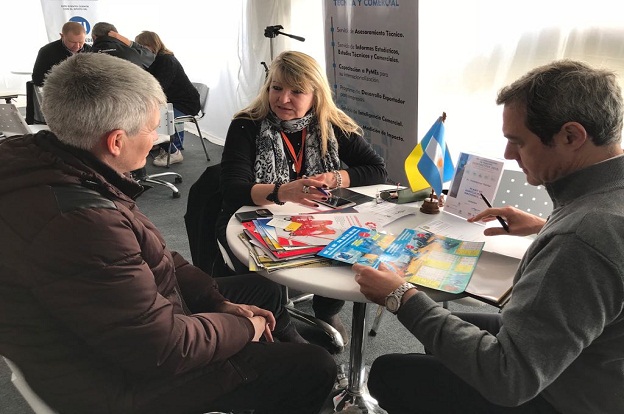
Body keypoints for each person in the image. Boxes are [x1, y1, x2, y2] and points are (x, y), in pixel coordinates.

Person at [0, 53, 335, 414]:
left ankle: (265, 368)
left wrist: (218, 303)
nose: (158, 139)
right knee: (315, 366)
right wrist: (243, 329)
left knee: (262, 289)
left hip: (120, 331)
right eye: (153, 128)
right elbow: (165, 350)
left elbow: (156, 256)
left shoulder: (58, 166)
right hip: (116, 383)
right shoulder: (81, 224)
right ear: (116, 141)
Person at [354, 59, 624, 414]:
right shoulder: (604, 201)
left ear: (571, 136)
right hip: (601, 362)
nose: (509, 154)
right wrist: (545, 225)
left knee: (389, 372)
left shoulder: (583, 236)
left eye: (517, 142)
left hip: (568, 396)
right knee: (452, 331)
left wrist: (400, 296)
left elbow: (509, 379)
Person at [218, 50, 388, 343]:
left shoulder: (329, 124)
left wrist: (335, 177)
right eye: (276, 88)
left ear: (315, 95)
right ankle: (280, 323)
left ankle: (325, 308)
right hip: (254, 217)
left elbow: (376, 169)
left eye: (296, 91)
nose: (283, 99)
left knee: (349, 246)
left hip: (311, 217)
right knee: (265, 285)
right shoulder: (247, 124)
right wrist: (284, 191)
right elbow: (233, 189)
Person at [134, 30, 200, 167]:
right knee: (154, 113)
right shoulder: (154, 59)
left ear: (153, 45)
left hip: (185, 103)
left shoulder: (166, 60)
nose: (141, 51)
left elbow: (159, 87)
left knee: (155, 117)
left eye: (143, 47)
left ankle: (174, 152)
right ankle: (164, 144)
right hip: (173, 101)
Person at [32, 21, 92, 87]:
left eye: (81, 42)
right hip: (57, 93)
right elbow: (37, 79)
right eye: (72, 42)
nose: (77, 46)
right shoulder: (47, 51)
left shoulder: (90, 51)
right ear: (62, 36)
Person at [90, 22, 155, 69]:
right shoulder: (131, 53)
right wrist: (126, 41)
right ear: (117, 35)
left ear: (93, 37)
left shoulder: (86, 55)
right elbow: (150, 56)